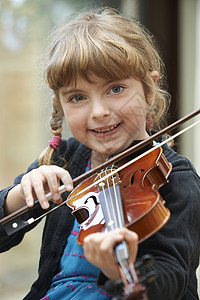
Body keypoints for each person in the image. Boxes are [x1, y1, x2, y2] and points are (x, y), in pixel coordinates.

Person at [0, 6, 200, 300]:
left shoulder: (175, 178)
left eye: (116, 89)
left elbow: (171, 277)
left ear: (148, 90)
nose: (99, 112)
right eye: (78, 97)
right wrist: (18, 196)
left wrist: (122, 270)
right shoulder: (65, 160)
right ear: (60, 105)